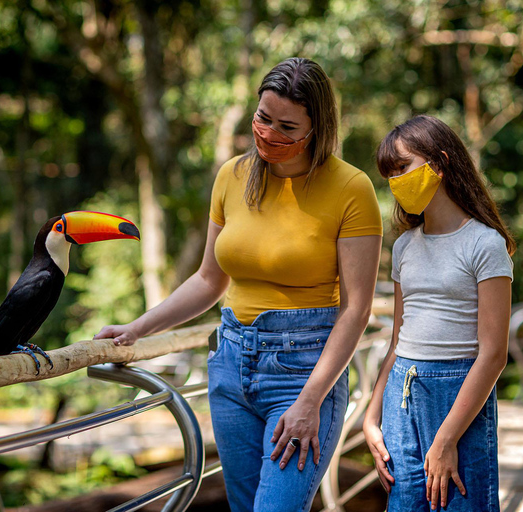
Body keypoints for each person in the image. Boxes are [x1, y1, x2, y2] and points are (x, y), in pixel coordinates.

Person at [95, 57, 382, 512]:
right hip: (230, 364)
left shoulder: (351, 188)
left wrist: (311, 402)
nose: (269, 134)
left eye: (287, 127)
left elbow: (356, 309)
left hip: (304, 370)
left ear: (317, 129)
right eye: (263, 118)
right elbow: (209, 280)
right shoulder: (232, 176)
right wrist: (137, 328)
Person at [363, 115, 515, 511]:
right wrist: (371, 415)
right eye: (389, 174)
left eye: (403, 167)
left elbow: (494, 354)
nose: (395, 181)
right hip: (402, 393)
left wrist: (447, 438)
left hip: (458, 397)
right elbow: (399, 340)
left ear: (440, 163)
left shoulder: (485, 244)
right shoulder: (404, 248)